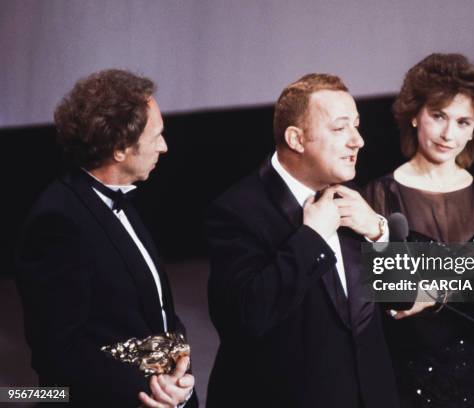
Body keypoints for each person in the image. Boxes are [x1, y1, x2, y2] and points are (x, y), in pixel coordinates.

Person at [205, 73, 400, 408]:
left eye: (356, 125)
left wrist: (379, 234)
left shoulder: (354, 200)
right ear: (296, 139)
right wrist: (311, 237)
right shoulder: (236, 210)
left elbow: (405, 298)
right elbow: (246, 318)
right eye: (340, 129)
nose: (358, 140)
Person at [15, 69, 196, 407]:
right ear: (119, 149)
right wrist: (147, 390)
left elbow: (156, 311)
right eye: (156, 136)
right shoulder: (58, 222)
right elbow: (58, 354)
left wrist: (178, 373)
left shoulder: (119, 198)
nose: (165, 146)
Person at [365, 54, 474, 407]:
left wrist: (434, 289)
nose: (447, 133)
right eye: (438, 116)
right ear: (414, 115)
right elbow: (383, 299)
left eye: (462, 121)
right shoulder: (380, 195)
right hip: (409, 380)